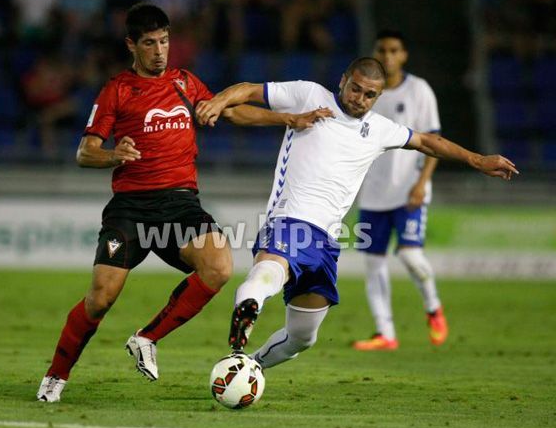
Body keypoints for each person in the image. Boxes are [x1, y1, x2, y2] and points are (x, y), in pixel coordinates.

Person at [37, 3, 332, 403]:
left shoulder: (185, 83)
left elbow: (233, 112)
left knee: (219, 266)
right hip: (131, 209)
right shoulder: (117, 90)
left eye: (164, 41)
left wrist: (288, 119)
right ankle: (56, 376)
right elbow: (85, 152)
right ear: (131, 45)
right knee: (101, 297)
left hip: (179, 204)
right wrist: (113, 155)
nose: (160, 51)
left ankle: (146, 338)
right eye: (149, 43)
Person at [195, 57, 518, 370]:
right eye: (355, 89)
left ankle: (249, 366)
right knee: (271, 270)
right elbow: (250, 90)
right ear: (343, 81)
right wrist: (219, 101)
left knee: (302, 337)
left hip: (326, 242)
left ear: (378, 96)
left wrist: (477, 161)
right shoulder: (310, 95)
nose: (360, 99)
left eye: (369, 95)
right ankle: (249, 303)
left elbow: (427, 142)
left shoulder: (380, 129)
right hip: (289, 218)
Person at [353, 30, 445, 351]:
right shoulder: (365, 93)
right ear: (375, 52)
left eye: (394, 50)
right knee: (373, 264)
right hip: (373, 194)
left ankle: (433, 307)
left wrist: (422, 183)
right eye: (383, 50)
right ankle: (385, 333)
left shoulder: (419, 90)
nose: (388, 56)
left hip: (408, 191)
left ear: (403, 55)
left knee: (409, 255)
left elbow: (433, 141)